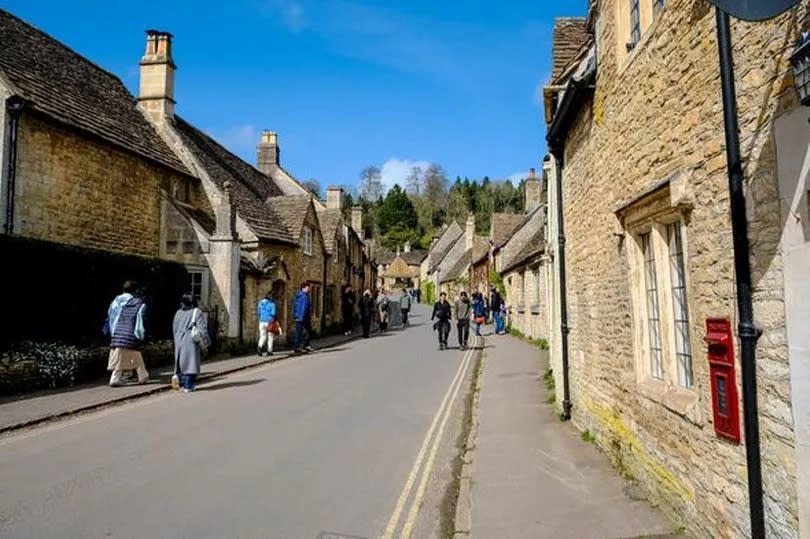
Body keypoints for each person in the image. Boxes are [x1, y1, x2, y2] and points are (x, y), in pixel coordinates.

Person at [105, 281, 149, 387]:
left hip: (117, 330)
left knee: (124, 353)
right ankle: (138, 375)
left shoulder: (116, 301)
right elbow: (140, 319)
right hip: (130, 332)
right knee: (134, 352)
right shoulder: (138, 303)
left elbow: (111, 315)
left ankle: (140, 375)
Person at [171, 294, 209, 392]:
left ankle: (177, 377)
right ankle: (188, 386)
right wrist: (206, 342)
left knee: (180, 363)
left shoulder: (178, 313)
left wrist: (176, 339)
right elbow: (202, 329)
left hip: (178, 338)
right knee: (191, 364)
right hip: (190, 339)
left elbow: (174, 328)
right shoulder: (197, 312)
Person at [293, 283, 313, 353]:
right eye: (308, 288)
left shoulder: (298, 296)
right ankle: (302, 346)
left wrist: (295, 316)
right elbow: (304, 308)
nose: (309, 289)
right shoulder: (304, 297)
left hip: (299, 316)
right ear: (303, 288)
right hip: (303, 317)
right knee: (305, 332)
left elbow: (295, 307)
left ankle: (299, 346)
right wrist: (301, 317)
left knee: (299, 332)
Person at [257, 291, 277, 356]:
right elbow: (273, 313)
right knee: (270, 337)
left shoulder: (261, 303)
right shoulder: (272, 304)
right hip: (269, 321)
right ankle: (269, 351)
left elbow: (258, 312)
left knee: (262, 336)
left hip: (261, 321)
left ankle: (259, 347)